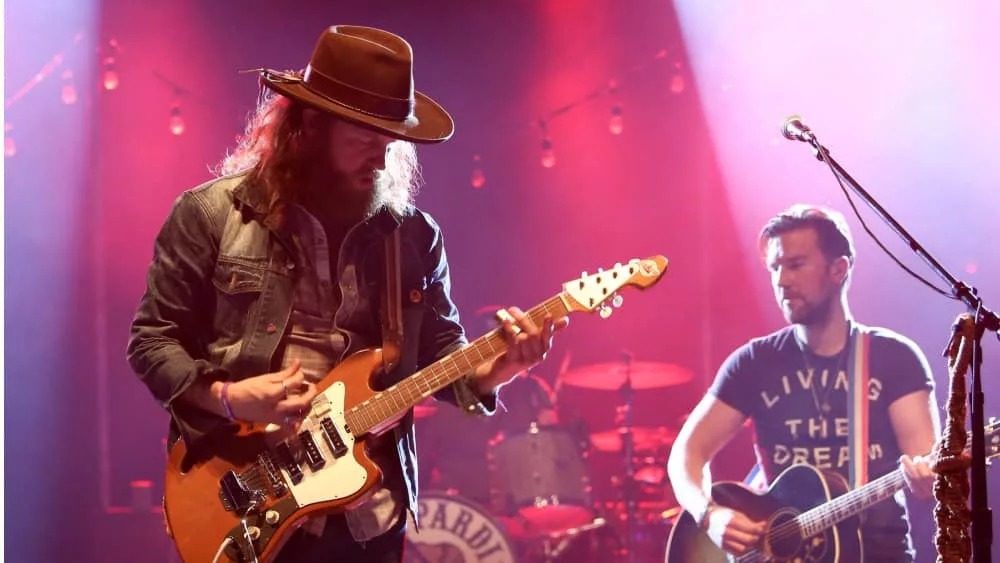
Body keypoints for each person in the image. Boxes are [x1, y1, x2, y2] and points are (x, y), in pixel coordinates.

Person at [126, 25, 566, 563]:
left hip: (368, 517)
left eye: (389, 145)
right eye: (364, 142)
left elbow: (440, 353)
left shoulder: (412, 235)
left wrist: (498, 369)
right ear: (309, 126)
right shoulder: (210, 214)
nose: (380, 162)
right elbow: (152, 341)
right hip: (246, 498)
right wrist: (229, 396)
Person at [667, 204, 940, 561]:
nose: (781, 281)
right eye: (775, 268)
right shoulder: (754, 363)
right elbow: (685, 455)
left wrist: (930, 480)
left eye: (795, 265)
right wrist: (708, 514)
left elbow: (931, 469)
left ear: (838, 269)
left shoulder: (895, 358)